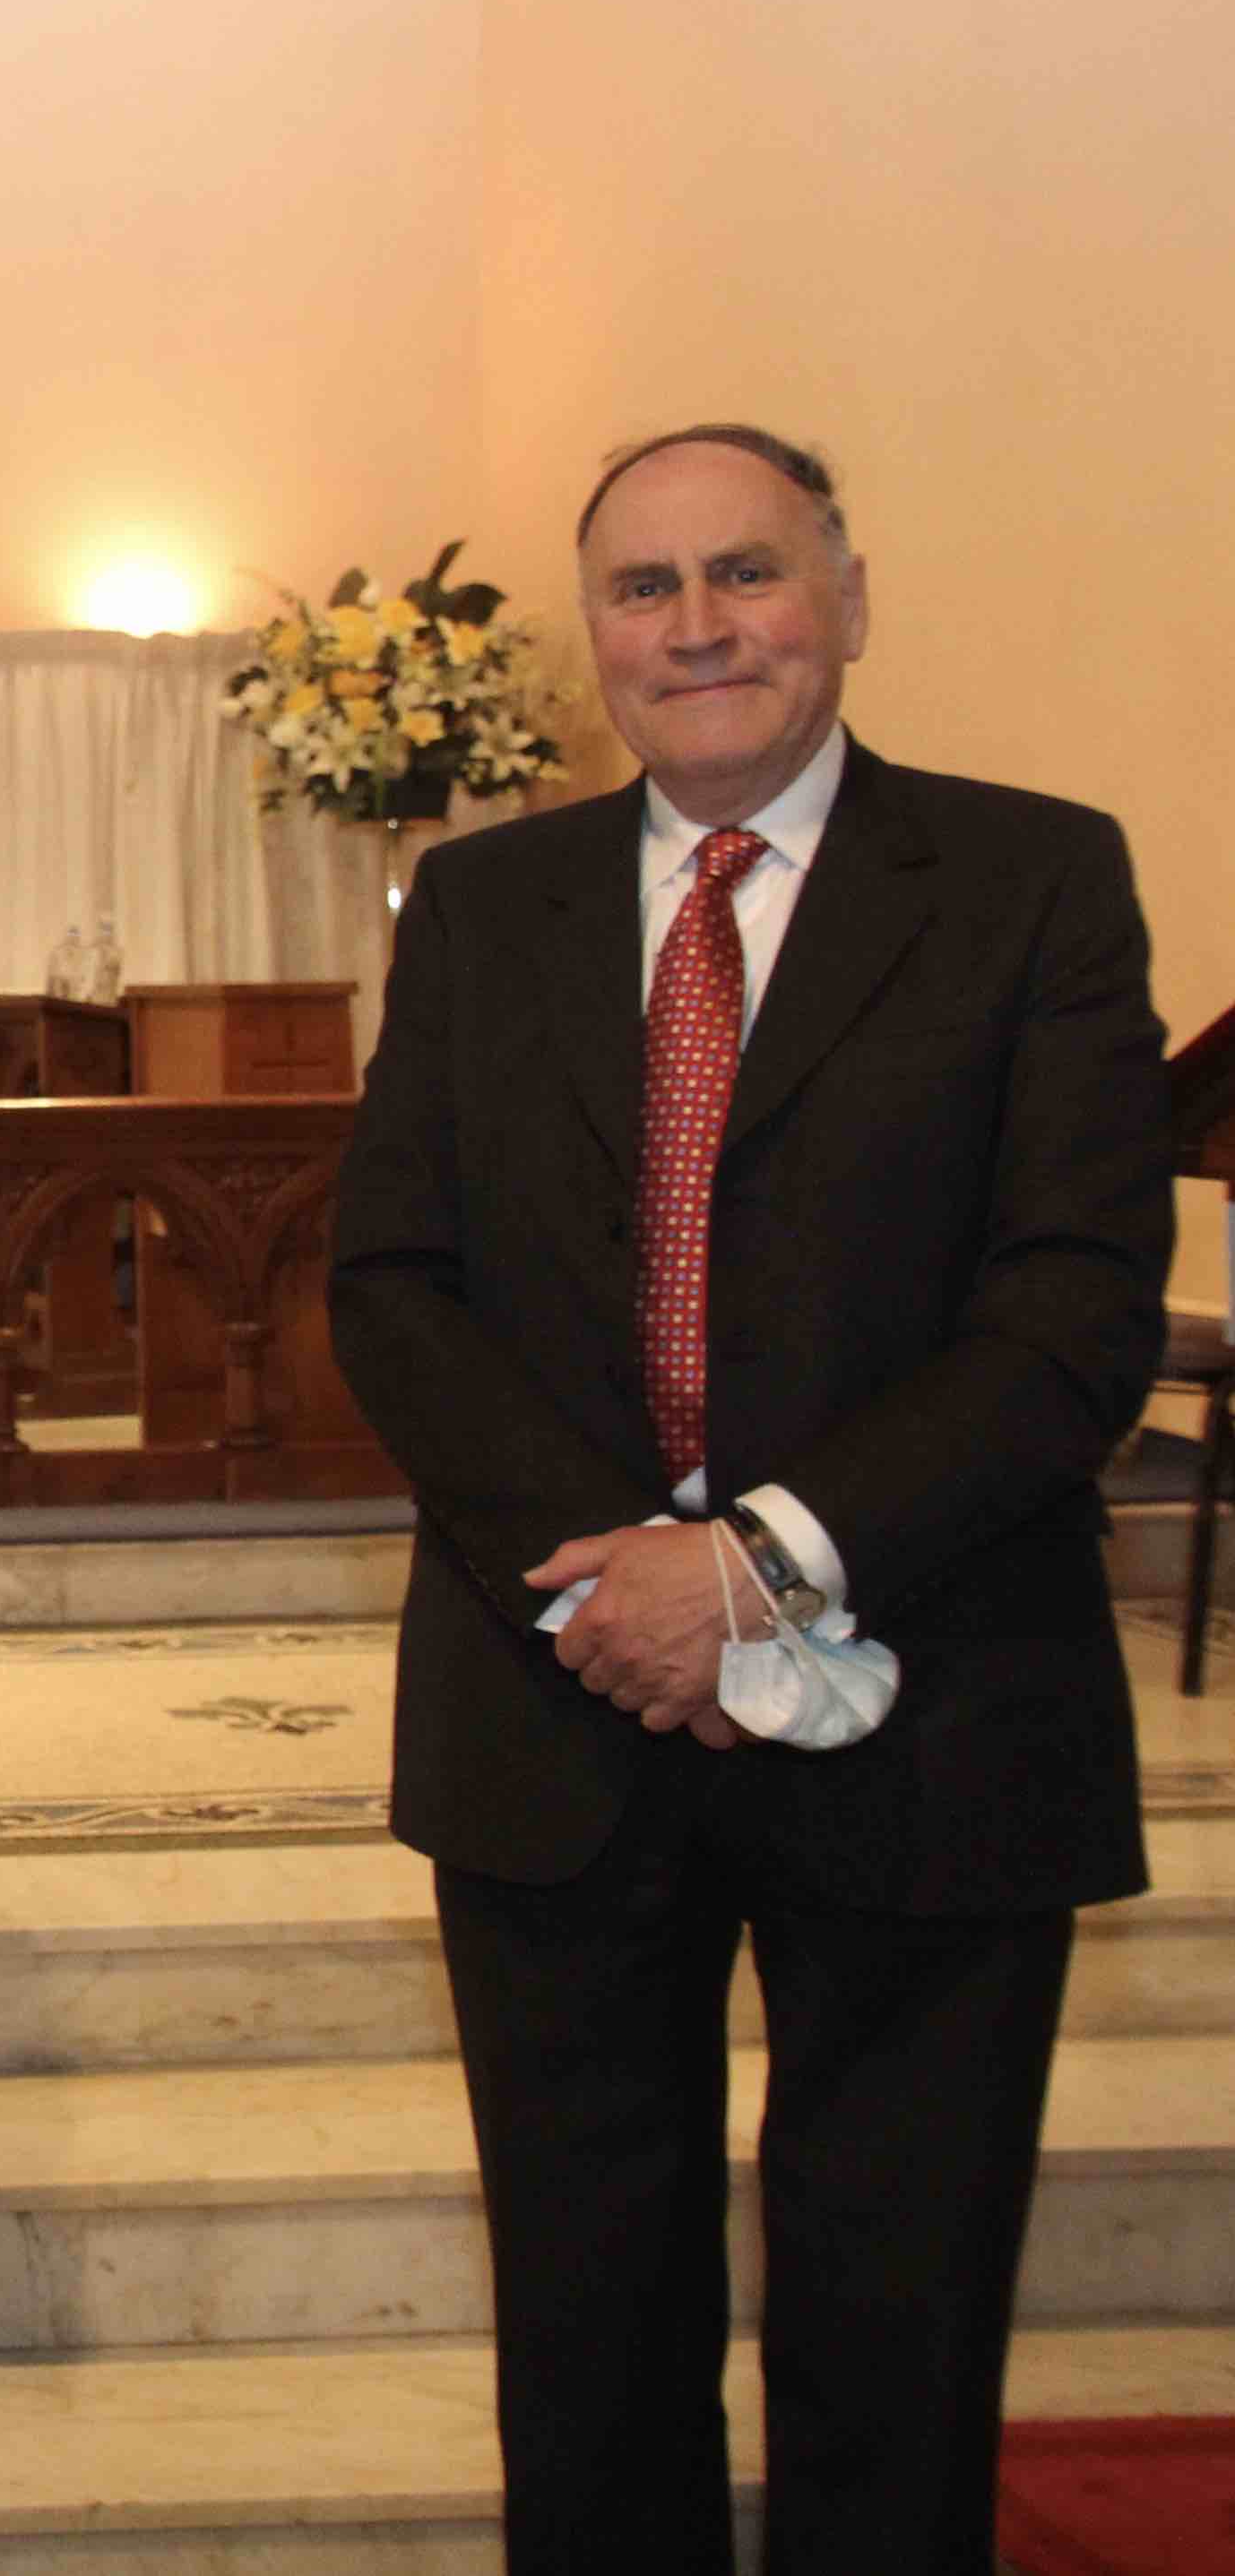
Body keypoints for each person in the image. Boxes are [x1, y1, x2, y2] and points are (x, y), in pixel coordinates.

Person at [332, 424, 1169, 2574]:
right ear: (593, 634)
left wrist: (755, 1566)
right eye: (641, 587)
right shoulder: (488, 904)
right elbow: (395, 1285)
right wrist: (618, 1589)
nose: (695, 625)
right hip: (560, 1705)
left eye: (744, 574)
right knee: (586, 2340)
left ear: (847, 597)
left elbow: (1071, 1303)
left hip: (934, 1689)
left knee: (896, 2330)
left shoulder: (1030, 880)